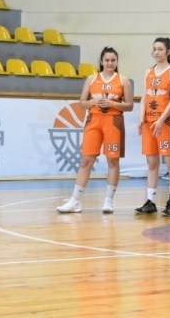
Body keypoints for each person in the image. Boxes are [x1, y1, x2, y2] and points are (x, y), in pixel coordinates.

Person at [57, 47, 134, 213]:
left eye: (113, 60)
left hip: (114, 121)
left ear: (117, 62)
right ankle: (75, 200)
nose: (110, 63)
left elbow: (129, 106)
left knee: (113, 161)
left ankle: (109, 200)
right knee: (86, 160)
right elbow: (82, 103)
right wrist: (93, 102)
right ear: (101, 61)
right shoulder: (92, 79)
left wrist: (112, 104)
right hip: (94, 120)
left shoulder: (123, 80)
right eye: (107, 60)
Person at [135, 37, 170, 216]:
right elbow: (145, 97)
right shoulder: (148, 72)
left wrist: (161, 120)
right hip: (149, 122)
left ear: (168, 52)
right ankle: (150, 201)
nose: (156, 52)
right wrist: (141, 117)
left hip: (166, 122)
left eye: (160, 49)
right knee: (152, 163)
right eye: (154, 49)